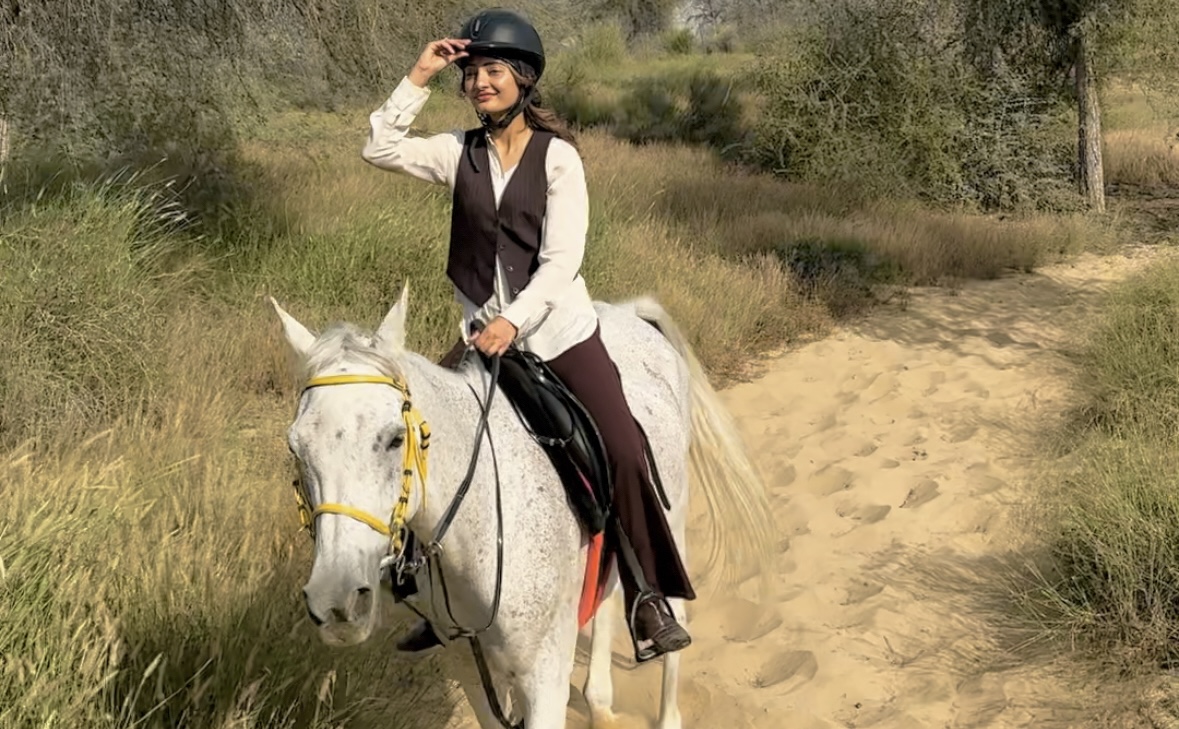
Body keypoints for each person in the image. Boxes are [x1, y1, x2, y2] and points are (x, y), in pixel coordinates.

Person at [360, 7, 695, 663]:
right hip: (485, 337)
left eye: (492, 71)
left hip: (558, 335)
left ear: (521, 79)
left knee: (623, 447)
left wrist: (516, 320)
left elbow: (561, 260)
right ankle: (431, 590)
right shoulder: (457, 153)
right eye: (472, 73)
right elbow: (378, 146)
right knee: (417, 437)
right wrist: (419, 75)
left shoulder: (559, 159)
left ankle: (647, 596)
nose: (479, 83)